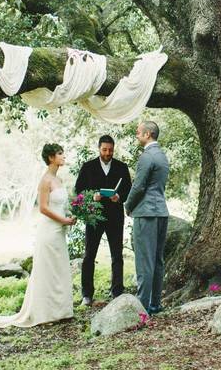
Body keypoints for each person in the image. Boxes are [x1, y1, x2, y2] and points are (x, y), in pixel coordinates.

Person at [0, 143, 76, 328]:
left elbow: (61, 205)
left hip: (60, 232)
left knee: (59, 269)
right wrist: (63, 221)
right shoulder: (45, 181)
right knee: (47, 270)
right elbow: (43, 208)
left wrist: (69, 216)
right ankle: (45, 312)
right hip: (49, 231)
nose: (63, 156)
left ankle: (61, 311)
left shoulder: (59, 181)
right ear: (51, 158)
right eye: (60, 153)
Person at [73, 134, 132, 305]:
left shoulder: (122, 167)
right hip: (94, 217)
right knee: (89, 255)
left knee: (117, 255)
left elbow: (129, 188)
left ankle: (117, 292)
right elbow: (79, 189)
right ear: (99, 149)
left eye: (110, 150)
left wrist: (119, 196)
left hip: (115, 216)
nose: (107, 153)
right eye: (104, 150)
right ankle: (87, 295)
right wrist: (93, 196)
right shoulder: (88, 167)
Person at [125, 121, 170, 315]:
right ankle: (155, 303)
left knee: (145, 261)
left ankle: (142, 307)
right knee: (158, 260)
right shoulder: (162, 157)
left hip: (146, 213)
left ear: (148, 134)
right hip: (161, 211)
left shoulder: (146, 156)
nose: (137, 135)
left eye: (139, 132)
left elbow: (139, 186)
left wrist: (128, 205)